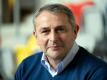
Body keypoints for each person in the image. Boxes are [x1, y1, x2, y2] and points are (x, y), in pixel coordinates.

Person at [15, 3, 107, 80]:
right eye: (45, 31)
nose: (53, 38)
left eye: (60, 30)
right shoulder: (25, 68)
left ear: (75, 32)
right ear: (36, 36)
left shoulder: (98, 72)